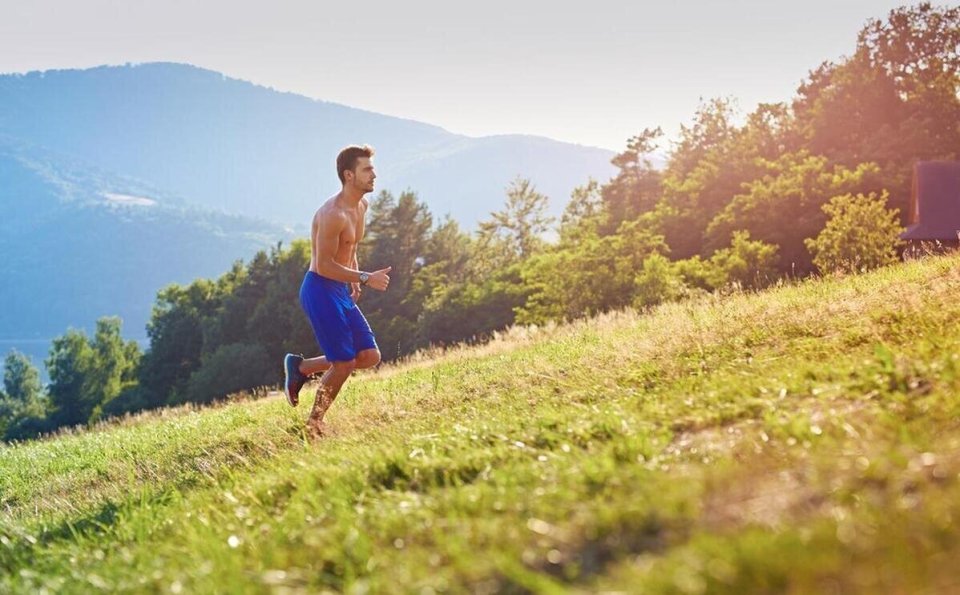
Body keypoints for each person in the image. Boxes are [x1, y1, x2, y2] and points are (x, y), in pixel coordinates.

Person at [283, 144, 391, 437]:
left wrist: (354, 278)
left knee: (368, 355)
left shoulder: (361, 206)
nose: (374, 175)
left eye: (373, 168)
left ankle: (302, 368)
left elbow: (350, 247)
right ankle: (314, 424)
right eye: (367, 169)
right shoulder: (333, 214)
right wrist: (366, 277)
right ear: (348, 175)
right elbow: (323, 265)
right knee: (343, 363)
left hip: (340, 288)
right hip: (320, 289)